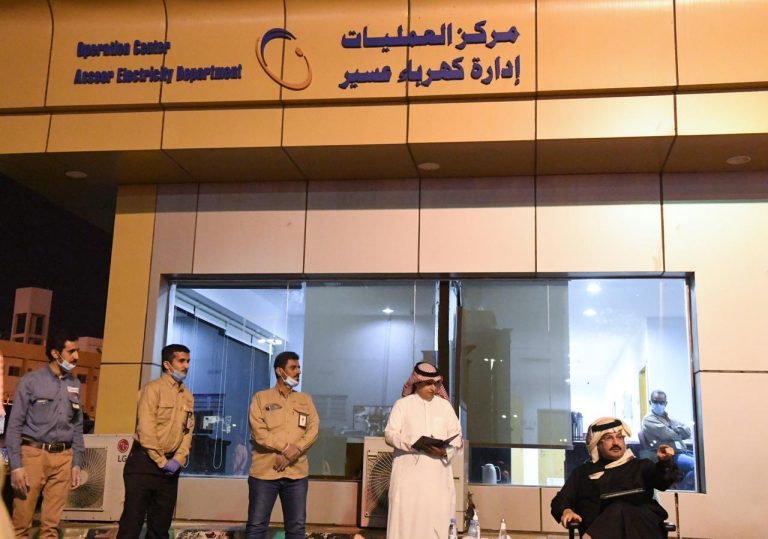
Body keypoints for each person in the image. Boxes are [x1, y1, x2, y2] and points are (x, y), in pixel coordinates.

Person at [6, 332, 85, 539]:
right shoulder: (30, 381)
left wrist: (76, 463)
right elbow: (14, 425)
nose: (76, 356)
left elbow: (77, 425)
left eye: (77, 351)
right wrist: (16, 466)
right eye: (71, 351)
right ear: (55, 353)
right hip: (33, 456)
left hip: (64, 458)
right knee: (21, 525)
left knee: (51, 528)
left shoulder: (75, 383)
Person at [551, 416, 677, 539]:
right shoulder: (582, 473)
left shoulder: (640, 466)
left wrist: (664, 463)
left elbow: (663, 481)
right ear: (597, 443)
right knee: (617, 509)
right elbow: (561, 500)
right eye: (608, 438)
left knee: (619, 508)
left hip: (641, 529)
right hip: (598, 528)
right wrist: (566, 511)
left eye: (620, 437)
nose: (616, 443)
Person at [117, 344, 194, 539]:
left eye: (188, 361)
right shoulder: (152, 389)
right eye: (181, 361)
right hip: (144, 464)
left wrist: (178, 458)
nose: (186, 365)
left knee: (160, 529)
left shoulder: (187, 395)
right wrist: (161, 461)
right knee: (131, 526)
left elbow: (188, 432)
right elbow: (146, 430)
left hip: (170, 468)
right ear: (167, 364)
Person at [384, 362, 463, 539]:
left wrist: (444, 452)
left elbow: (457, 438)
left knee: (437, 521)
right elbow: (390, 434)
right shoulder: (402, 405)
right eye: (429, 384)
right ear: (417, 382)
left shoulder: (445, 407)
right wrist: (413, 443)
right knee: (407, 522)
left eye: (436, 384)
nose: (433, 388)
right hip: (409, 479)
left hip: (438, 478)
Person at [246, 351, 319, 539]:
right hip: (264, 474)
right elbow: (258, 432)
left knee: (296, 529)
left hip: (297, 475)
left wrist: (296, 450)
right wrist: (286, 449)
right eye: (293, 368)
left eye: (299, 367)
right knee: (256, 527)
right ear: (280, 371)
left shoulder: (305, 400)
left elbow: (313, 429)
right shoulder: (261, 398)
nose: (298, 371)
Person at [642, 389, 695, 489]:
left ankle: (684, 487)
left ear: (665, 403)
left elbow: (688, 432)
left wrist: (673, 429)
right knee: (695, 466)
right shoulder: (648, 419)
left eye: (661, 402)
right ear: (650, 402)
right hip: (669, 456)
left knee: (703, 463)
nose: (658, 404)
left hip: (681, 452)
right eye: (655, 401)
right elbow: (668, 434)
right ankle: (682, 490)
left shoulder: (669, 417)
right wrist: (676, 430)